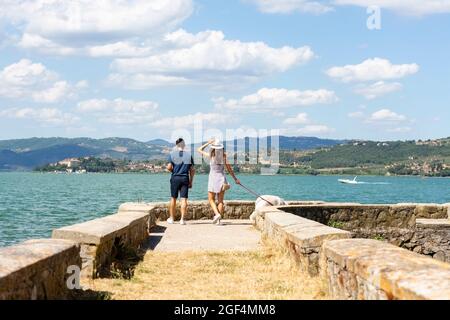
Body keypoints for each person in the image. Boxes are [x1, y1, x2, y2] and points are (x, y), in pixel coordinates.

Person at [197, 138, 240, 225]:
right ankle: (218, 221)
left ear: (213, 147)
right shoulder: (223, 156)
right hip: (222, 178)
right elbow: (229, 169)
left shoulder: (211, 155)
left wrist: (207, 143)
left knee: (211, 199)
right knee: (220, 201)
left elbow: (199, 149)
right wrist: (235, 179)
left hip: (213, 179)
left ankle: (217, 214)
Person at [166, 138, 195, 225]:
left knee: (173, 198)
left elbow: (169, 167)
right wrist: (191, 181)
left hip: (175, 178)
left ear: (176, 145)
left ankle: (172, 219)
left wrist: (173, 171)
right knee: (184, 199)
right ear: (184, 145)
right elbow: (192, 170)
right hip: (185, 178)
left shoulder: (172, 154)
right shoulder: (189, 155)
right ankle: (182, 219)